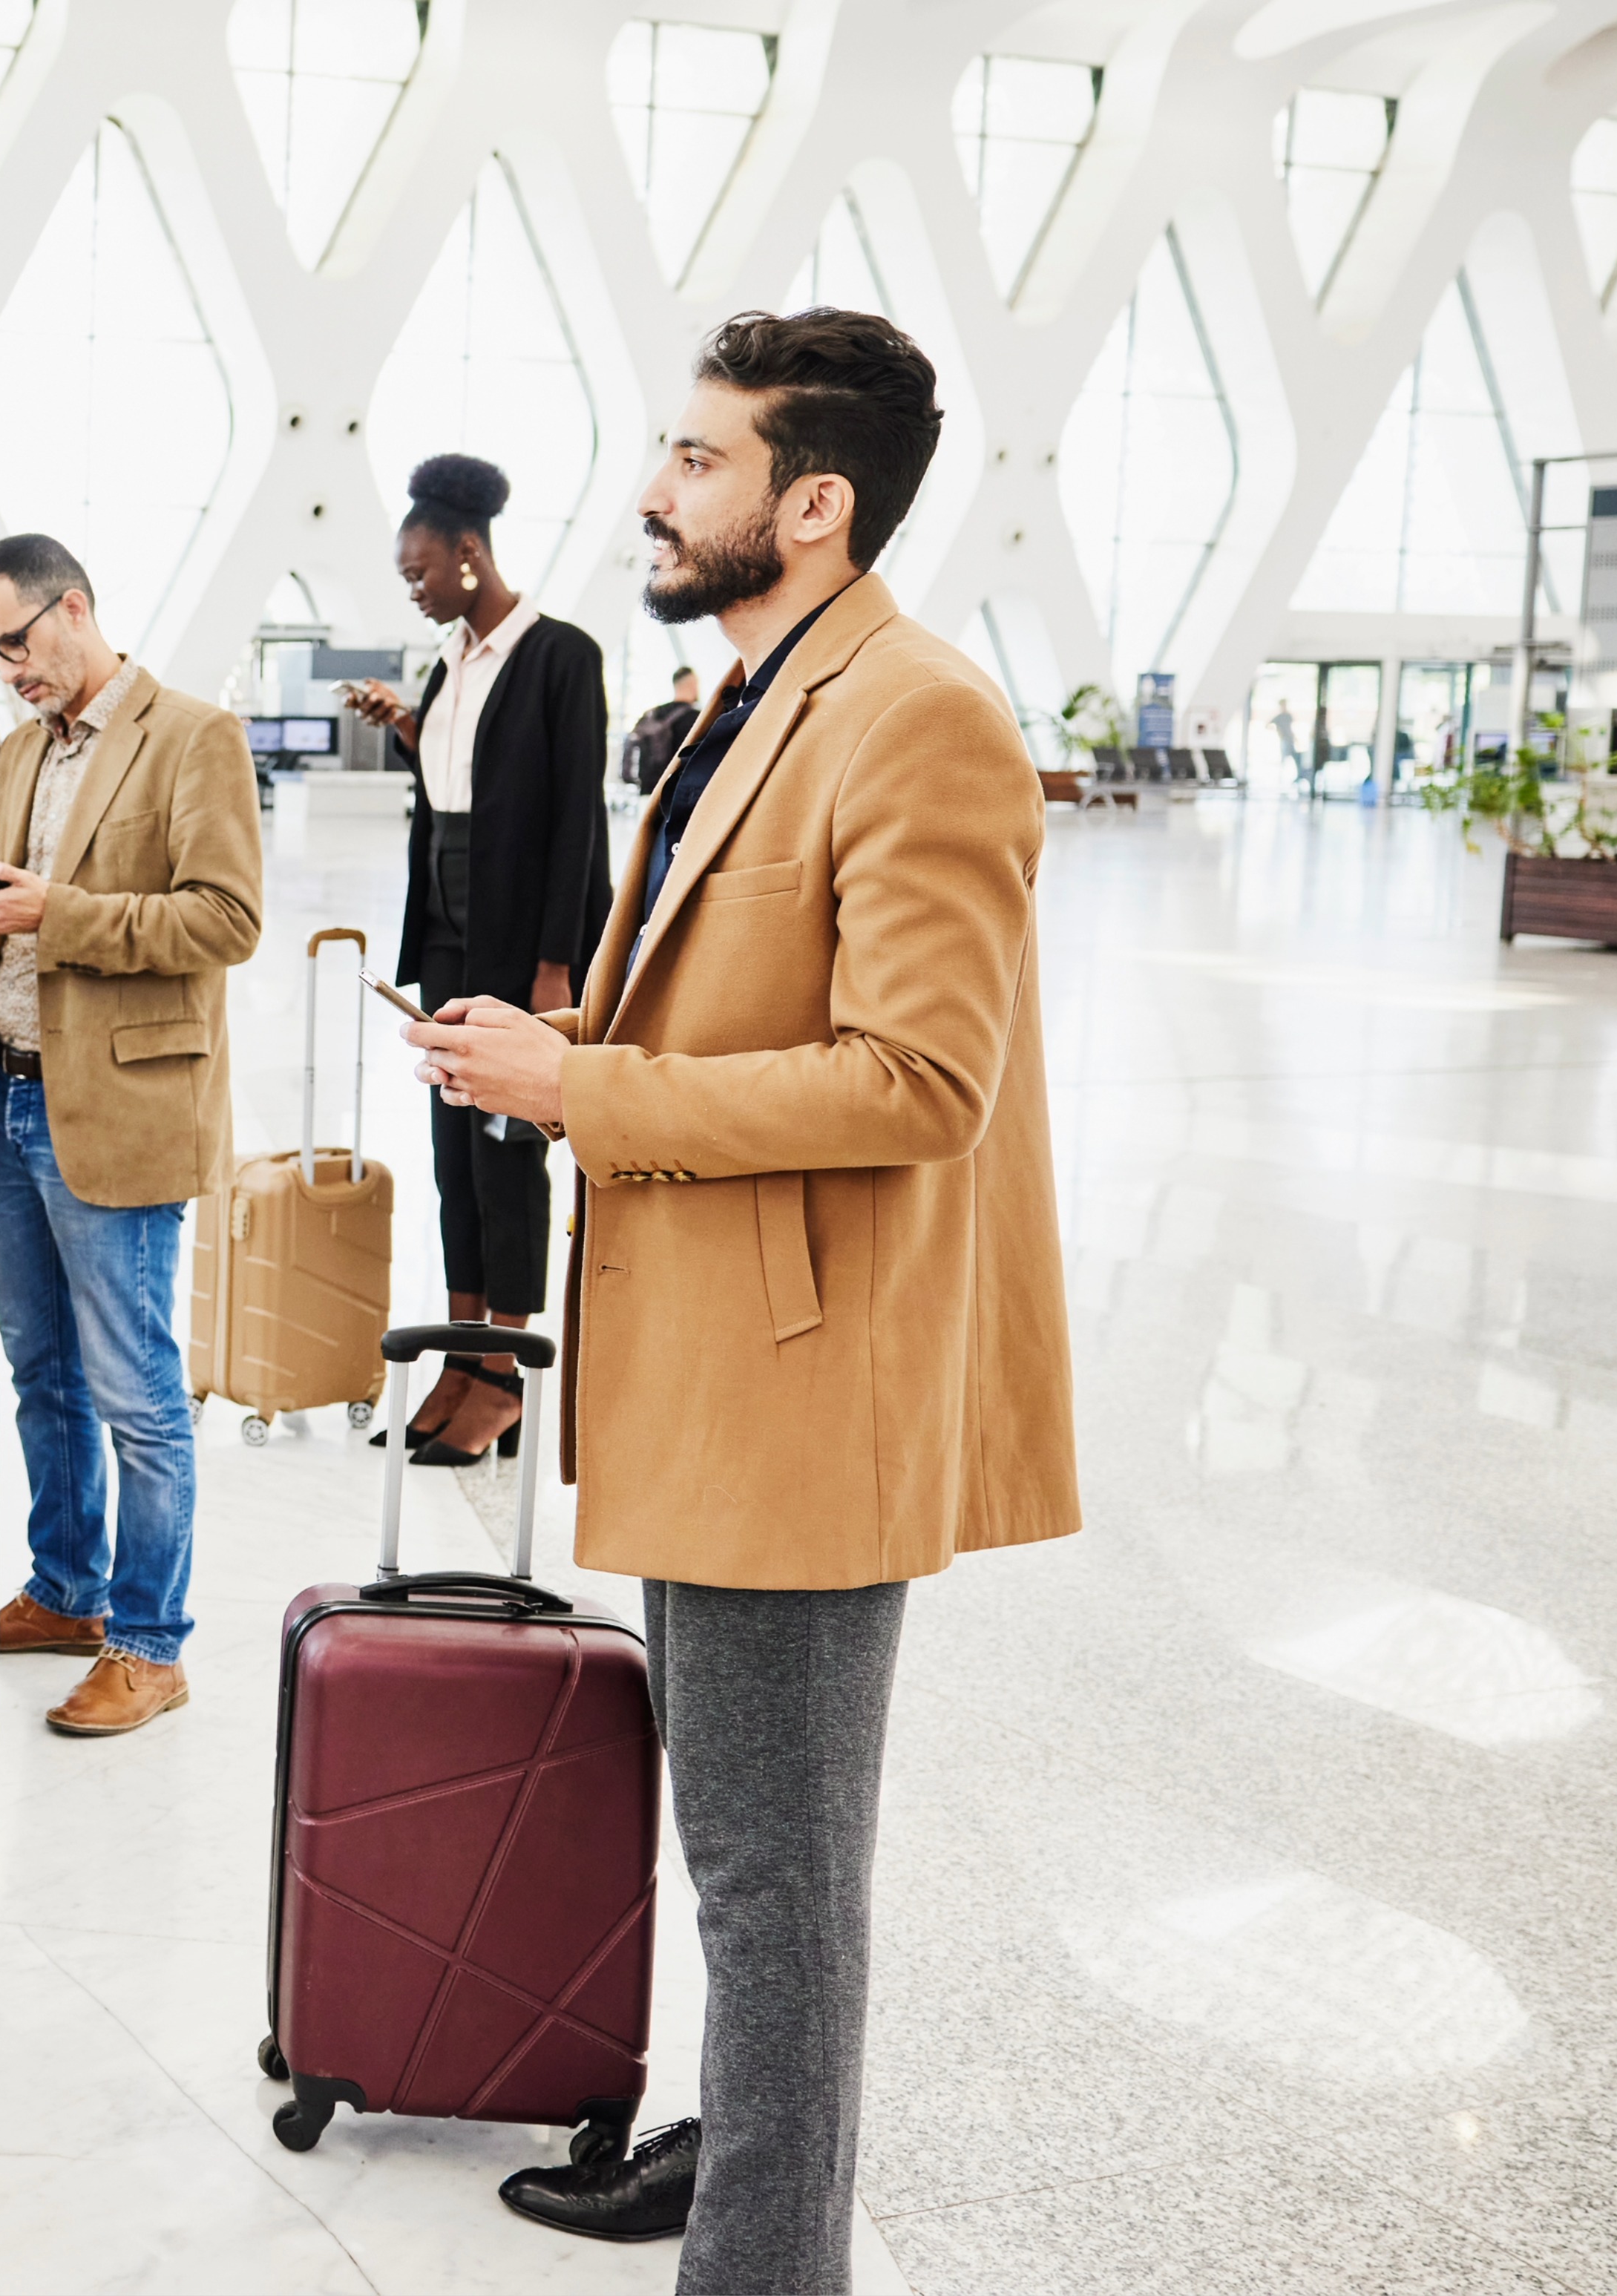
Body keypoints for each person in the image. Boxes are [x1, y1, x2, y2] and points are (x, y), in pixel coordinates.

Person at [407, 309, 1073, 2289]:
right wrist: (549, 1044)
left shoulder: (914, 712)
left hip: (803, 1387)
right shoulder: (747, 693)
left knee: (779, 1881)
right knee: (738, 1852)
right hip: (716, 1359)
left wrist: (579, 1088)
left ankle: (761, 2257)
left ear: (813, 502)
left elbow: (920, 1082)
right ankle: (730, 2157)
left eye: (692, 461)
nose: (647, 487)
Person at [0, 535, 263, 1739]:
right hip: (8, 1100)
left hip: (115, 1108)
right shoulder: (21, 753)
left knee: (136, 1385)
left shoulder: (195, 735)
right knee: (45, 1372)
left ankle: (151, 1642)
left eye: (17, 641)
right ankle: (67, 1588)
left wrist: (54, 910)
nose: (7, 668)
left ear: (76, 606)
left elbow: (226, 920)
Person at [336, 454, 611, 1466]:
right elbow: (464, 784)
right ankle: (460, 1353)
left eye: (420, 571)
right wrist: (408, 727)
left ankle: (506, 1372)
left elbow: (573, 820)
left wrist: (553, 974)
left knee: (508, 1159)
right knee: (455, 1157)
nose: (413, 588)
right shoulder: (449, 662)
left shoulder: (560, 658)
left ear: (469, 551)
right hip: (450, 934)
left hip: (517, 945)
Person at [627, 664, 700, 793]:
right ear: (692, 684)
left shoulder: (652, 714)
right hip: (675, 794)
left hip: (647, 789)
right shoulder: (696, 718)